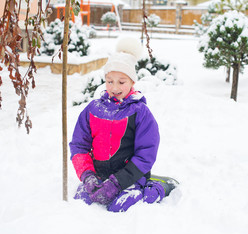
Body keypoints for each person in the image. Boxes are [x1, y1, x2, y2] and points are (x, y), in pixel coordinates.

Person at [69, 36, 177, 212]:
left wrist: (117, 183)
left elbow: (145, 155)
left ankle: (158, 188)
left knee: (119, 206)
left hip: (130, 177)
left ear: (132, 82)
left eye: (121, 82)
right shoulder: (93, 109)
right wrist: (88, 176)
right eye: (109, 81)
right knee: (82, 201)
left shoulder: (140, 112)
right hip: (99, 176)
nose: (114, 87)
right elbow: (79, 145)